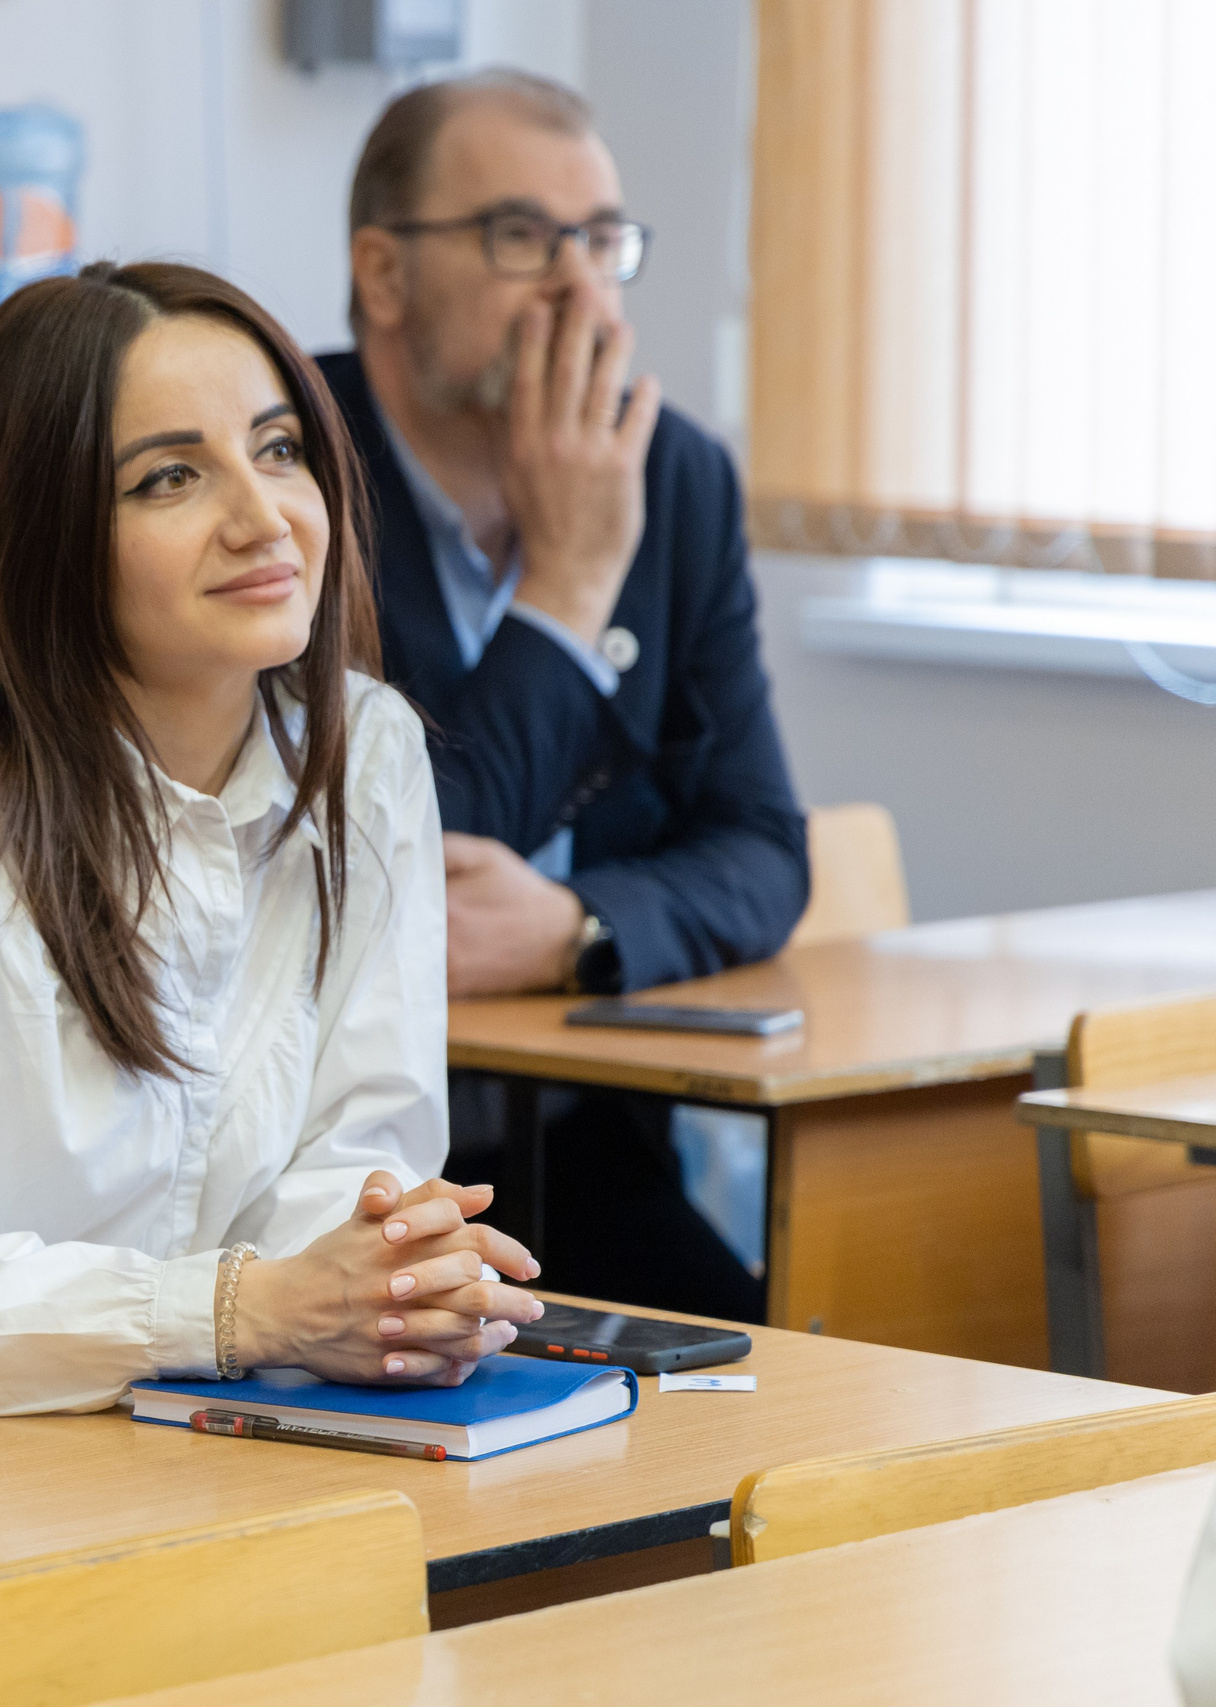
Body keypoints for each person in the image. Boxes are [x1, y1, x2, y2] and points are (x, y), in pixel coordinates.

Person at [0, 261, 543, 1417]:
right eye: (170, 478)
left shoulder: (365, 750)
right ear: (41, 534)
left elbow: (359, 1165)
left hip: (241, 1442)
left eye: (279, 450)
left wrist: (393, 1287)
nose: (262, 516)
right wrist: (247, 1312)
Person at [315, 70, 808, 1321]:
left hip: (586, 1153)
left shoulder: (674, 477)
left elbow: (761, 847)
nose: (582, 289)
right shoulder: (284, 482)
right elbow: (399, 866)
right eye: (521, 239)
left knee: (777, 1377)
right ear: (384, 275)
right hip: (335, 1186)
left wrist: (577, 927)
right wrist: (572, 586)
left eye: (600, 241)